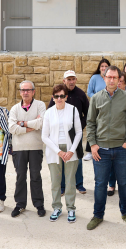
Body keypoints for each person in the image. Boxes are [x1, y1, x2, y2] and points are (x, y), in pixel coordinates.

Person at [85, 66, 126, 230]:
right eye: (109, 77)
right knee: (100, 184)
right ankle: (98, 215)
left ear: (119, 79)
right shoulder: (96, 98)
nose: (112, 80)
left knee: (123, 183)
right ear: (104, 78)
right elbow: (91, 123)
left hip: (122, 149)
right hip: (101, 150)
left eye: (115, 77)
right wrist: (93, 144)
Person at [41, 84, 83, 223]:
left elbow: (79, 132)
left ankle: (71, 208)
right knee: (55, 181)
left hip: (71, 149)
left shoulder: (73, 110)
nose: (59, 98)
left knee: (70, 181)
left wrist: (71, 151)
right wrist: (59, 151)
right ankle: (57, 207)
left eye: (62, 96)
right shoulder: (49, 112)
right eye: (57, 96)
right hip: (54, 151)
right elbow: (44, 136)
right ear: (53, 97)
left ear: (66, 97)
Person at [8, 80, 47, 218]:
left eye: (28, 90)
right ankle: (20, 204)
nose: (25, 92)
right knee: (20, 177)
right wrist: (31, 126)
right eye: (23, 90)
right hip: (19, 148)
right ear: (19, 92)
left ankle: (39, 204)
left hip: (35, 147)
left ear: (33, 91)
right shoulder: (14, 109)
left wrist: (22, 124)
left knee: (35, 176)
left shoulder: (40, 105)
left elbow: (42, 122)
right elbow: (12, 128)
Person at [48, 70, 88, 194]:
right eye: (68, 79)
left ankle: (79, 184)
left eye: (73, 79)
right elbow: (50, 111)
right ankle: (63, 186)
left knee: (78, 158)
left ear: (76, 80)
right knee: (62, 159)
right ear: (64, 80)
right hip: (60, 133)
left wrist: (79, 128)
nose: (71, 82)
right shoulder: (58, 94)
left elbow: (88, 114)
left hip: (75, 133)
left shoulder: (81, 94)